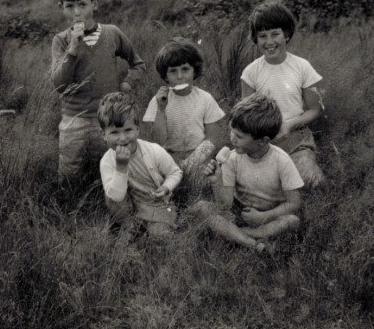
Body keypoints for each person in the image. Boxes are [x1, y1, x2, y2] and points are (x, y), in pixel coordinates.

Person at [51, 0, 146, 187]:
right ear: (61, 7)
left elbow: (138, 63)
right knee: (69, 174)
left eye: (82, 4)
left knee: (113, 169)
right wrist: (72, 49)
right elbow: (59, 85)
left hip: (109, 120)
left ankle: (113, 200)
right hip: (74, 119)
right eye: (70, 6)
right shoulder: (61, 40)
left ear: (95, 4)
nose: (77, 12)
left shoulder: (112, 33)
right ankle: (70, 204)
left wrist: (127, 83)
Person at [190, 93, 303, 252]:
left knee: (292, 221)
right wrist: (217, 182)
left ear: (262, 141)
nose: (232, 139)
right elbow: (225, 205)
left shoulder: (281, 161)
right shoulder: (232, 159)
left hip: (270, 215)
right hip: (239, 213)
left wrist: (264, 217)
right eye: (232, 131)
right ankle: (254, 244)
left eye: (239, 136)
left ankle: (237, 235)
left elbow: (294, 203)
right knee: (201, 207)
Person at [241, 0, 325, 187]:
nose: (269, 42)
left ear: (286, 34)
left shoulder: (303, 67)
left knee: (313, 182)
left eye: (275, 34)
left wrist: (289, 125)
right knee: (262, 186)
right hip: (263, 142)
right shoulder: (250, 73)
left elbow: (314, 109)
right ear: (256, 39)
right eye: (262, 36)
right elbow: (246, 116)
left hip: (297, 138)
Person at [142, 37, 225, 196]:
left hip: (198, 156)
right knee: (158, 185)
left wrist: (191, 163)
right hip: (168, 156)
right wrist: (161, 110)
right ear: (166, 76)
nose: (180, 76)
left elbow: (213, 137)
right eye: (173, 71)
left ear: (195, 71)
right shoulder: (158, 100)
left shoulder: (205, 98)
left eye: (185, 69)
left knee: (203, 186)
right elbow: (157, 141)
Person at [98, 92, 183, 238]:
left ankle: (151, 230)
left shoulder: (153, 150)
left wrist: (166, 187)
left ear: (137, 129)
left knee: (160, 236)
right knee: (110, 194)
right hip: (128, 207)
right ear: (103, 135)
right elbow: (116, 197)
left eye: (128, 130)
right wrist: (121, 167)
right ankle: (129, 227)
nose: (122, 138)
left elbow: (175, 172)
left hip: (156, 204)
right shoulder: (107, 161)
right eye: (114, 132)